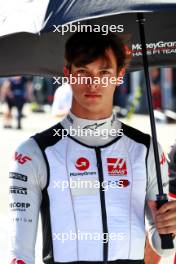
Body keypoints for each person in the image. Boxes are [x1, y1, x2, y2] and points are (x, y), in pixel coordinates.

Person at [8, 31, 176, 264]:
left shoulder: (146, 149)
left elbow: (164, 249)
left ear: (119, 75)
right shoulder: (33, 153)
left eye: (104, 73)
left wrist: (168, 228)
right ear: (68, 74)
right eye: (83, 72)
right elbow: (20, 255)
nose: (93, 83)